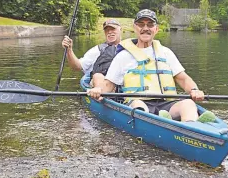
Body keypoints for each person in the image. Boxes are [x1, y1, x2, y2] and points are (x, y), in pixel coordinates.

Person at [87, 9, 215, 122]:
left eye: (150, 24)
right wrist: (98, 90)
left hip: (167, 104)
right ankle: (160, 121)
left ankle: (191, 127)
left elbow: (183, 78)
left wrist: (194, 90)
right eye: (141, 24)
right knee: (137, 104)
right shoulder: (123, 56)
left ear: (156, 29)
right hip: (139, 103)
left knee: (188, 103)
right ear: (135, 28)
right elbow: (109, 86)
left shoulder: (166, 53)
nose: (145, 28)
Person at [61, 19, 122, 87]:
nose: (110, 32)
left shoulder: (129, 48)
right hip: (102, 85)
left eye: (113, 29)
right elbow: (77, 67)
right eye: (107, 30)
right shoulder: (97, 50)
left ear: (120, 29)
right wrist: (69, 50)